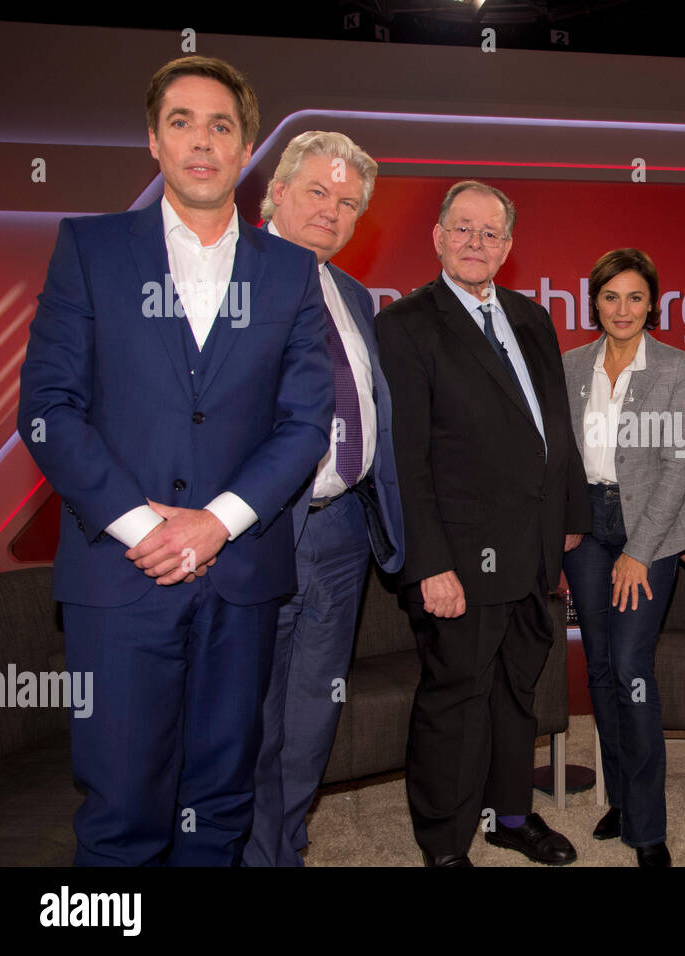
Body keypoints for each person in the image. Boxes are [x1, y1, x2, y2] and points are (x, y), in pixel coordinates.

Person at [16, 56, 333, 865]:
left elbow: (305, 423)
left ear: (248, 147)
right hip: (118, 582)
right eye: (183, 122)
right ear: (153, 141)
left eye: (222, 125)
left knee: (223, 807)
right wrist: (142, 529)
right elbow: (50, 410)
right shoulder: (88, 249)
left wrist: (216, 525)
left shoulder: (291, 271)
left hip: (241, 582)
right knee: (122, 813)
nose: (202, 141)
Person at [375, 180, 590, 867]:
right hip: (459, 563)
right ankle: (443, 847)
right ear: (437, 237)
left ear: (508, 246)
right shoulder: (405, 325)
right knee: (456, 702)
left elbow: (555, 428)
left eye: (490, 233)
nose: (475, 243)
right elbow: (403, 460)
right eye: (462, 229)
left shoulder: (531, 317)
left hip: (532, 554)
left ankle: (512, 818)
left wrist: (571, 518)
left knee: (516, 696)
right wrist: (430, 562)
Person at [242, 131, 405, 867]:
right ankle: (248, 853)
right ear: (275, 192)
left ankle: (286, 848)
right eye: (317, 192)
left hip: (341, 532)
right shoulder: (226, 278)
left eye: (348, 204)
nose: (332, 213)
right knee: (249, 718)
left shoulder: (352, 294)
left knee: (312, 712)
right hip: (255, 532)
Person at [561, 248, 685, 868]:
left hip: (653, 530)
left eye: (635, 297)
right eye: (611, 297)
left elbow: (679, 464)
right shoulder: (571, 366)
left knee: (631, 668)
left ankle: (648, 828)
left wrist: (640, 552)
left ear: (654, 304)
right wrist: (564, 524)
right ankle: (618, 799)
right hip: (587, 532)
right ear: (595, 302)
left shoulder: (673, 367)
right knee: (598, 670)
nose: (622, 309)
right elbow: (557, 457)